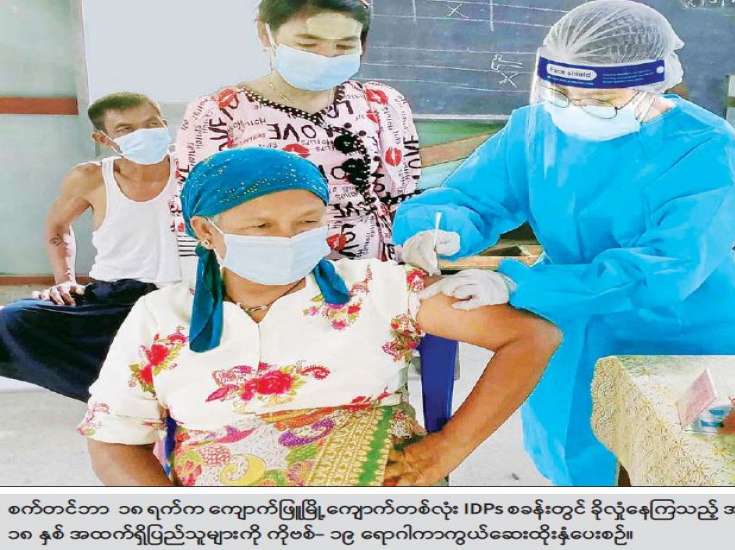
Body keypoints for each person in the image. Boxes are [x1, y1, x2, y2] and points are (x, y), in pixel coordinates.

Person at [392, 0, 735, 485]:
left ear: (656, 82)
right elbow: (472, 198)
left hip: (680, 334)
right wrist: (437, 228)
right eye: (561, 93)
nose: (576, 110)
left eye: (602, 100)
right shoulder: (537, 129)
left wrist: (518, 286)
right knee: (579, 465)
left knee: (682, 471)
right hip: (570, 326)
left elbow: (665, 267)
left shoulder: (708, 150)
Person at [78, 147, 561, 487]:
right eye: (261, 225)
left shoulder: (377, 287)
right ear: (206, 231)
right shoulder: (161, 316)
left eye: (307, 222)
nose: (288, 239)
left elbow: (530, 337)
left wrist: (448, 449)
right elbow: (114, 438)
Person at [175, 0, 420, 270]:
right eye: (308, 44)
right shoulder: (221, 112)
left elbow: (400, 198)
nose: (327, 57)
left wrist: (416, 250)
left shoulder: (381, 104)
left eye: (344, 46)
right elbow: (195, 210)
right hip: (270, 270)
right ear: (265, 33)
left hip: (371, 270)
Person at [0, 92, 181, 401]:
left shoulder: (195, 171)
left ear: (165, 125)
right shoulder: (90, 177)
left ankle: (148, 395)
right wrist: (65, 280)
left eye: (152, 124)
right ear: (103, 138)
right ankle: (113, 396)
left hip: (183, 296)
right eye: (126, 129)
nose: (144, 134)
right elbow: (57, 226)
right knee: (10, 322)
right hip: (114, 296)